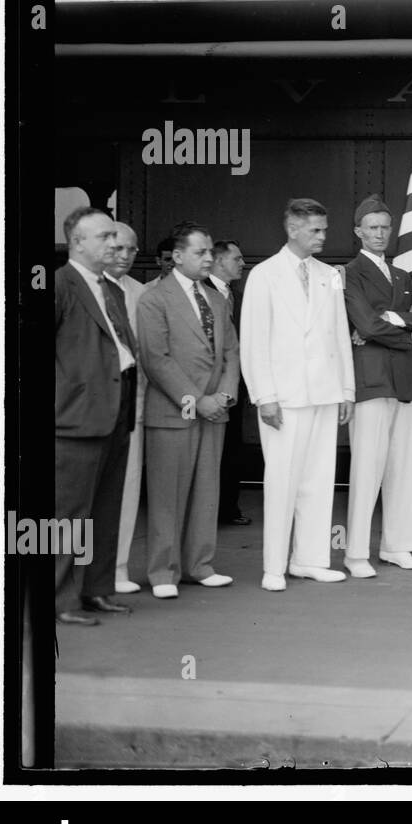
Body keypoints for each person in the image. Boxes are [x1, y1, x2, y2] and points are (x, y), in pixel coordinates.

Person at [240, 198, 355, 591]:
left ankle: (309, 559)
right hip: (284, 397)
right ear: (292, 229)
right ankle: (274, 566)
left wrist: (346, 391)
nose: (323, 236)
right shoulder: (264, 275)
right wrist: (264, 395)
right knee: (281, 482)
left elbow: (340, 334)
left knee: (320, 481)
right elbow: (254, 341)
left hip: (324, 392)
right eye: (316, 230)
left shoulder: (328, 275)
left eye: (324, 229)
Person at [137, 221, 238, 599]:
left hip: (215, 412)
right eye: (201, 252)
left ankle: (200, 565)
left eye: (211, 251)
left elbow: (232, 352)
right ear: (178, 257)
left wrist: (224, 396)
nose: (209, 258)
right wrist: (199, 401)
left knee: (206, 491)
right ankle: (163, 572)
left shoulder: (217, 299)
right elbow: (156, 359)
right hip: (174, 412)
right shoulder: (154, 299)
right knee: (167, 495)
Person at [342, 195, 412, 578]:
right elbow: (366, 325)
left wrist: (392, 322)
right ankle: (356, 554)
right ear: (358, 232)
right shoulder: (350, 273)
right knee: (367, 468)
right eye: (373, 228)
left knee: (401, 468)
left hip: (401, 379)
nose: (380, 234)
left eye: (385, 227)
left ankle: (397, 546)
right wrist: (402, 328)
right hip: (371, 381)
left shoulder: (401, 275)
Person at [55, 206, 137, 625]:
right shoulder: (60, 284)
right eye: (104, 237)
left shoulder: (113, 289)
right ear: (78, 242)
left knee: (106, 510)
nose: (113, 244)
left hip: (116, 413)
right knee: (70, 514)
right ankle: (61, 601)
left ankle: (97, 590)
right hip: (75, 418)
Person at [105, 222, 147, 594]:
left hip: (133, 404)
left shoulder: (141, 293)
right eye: (117, 248)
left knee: (128, 487)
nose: (124, 256)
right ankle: (81, 573)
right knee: (88, 494)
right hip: (92, 410)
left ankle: (117, 569)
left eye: (131, 250)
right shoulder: (85, 287)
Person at [208, 238, 251, 527]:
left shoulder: (239, 293)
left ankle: (228, 508)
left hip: (236, 385)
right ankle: (207, 511)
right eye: (236, 258)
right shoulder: (202, 292)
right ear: (220, 260)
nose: (242, 263)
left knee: (232, 448)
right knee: (209, 451)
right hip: (208, 388)